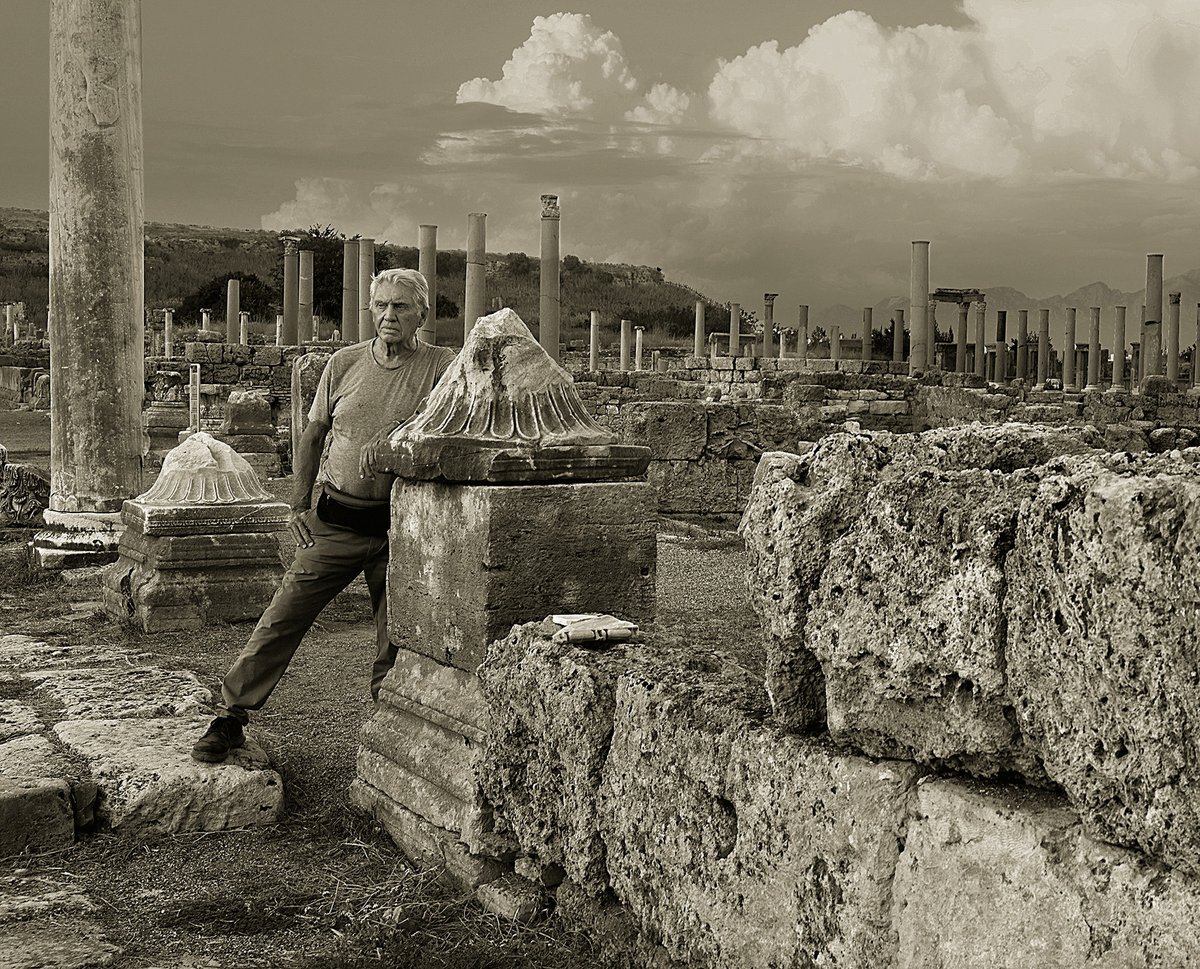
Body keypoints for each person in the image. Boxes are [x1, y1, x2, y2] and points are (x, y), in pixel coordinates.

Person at [191, 268, 455, 763]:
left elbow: (457, 427)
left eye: (401, 306)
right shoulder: (344, 363)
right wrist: (296, 503)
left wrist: (402, 435)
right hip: (336, 520)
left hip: (403, 528)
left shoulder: (442, 366)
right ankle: (231, 716)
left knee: (395, 634)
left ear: (423, 313)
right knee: (284, 614)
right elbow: (312, 435)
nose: (389, 316)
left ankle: (389, 728)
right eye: (381, 306)